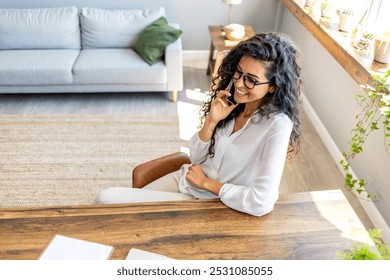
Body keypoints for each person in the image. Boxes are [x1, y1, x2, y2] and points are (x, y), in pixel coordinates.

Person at [94, 32, 303, 217]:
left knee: (106, 199)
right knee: (115, 209)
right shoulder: (231, 103)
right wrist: (212, 120)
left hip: (206, 201)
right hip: (185, 178)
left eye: (251, 80)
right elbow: (196, 156)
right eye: (238, 73)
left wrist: (206, 184)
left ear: (274, 87)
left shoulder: (277, 125)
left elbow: (262, 201)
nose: (238, 83)